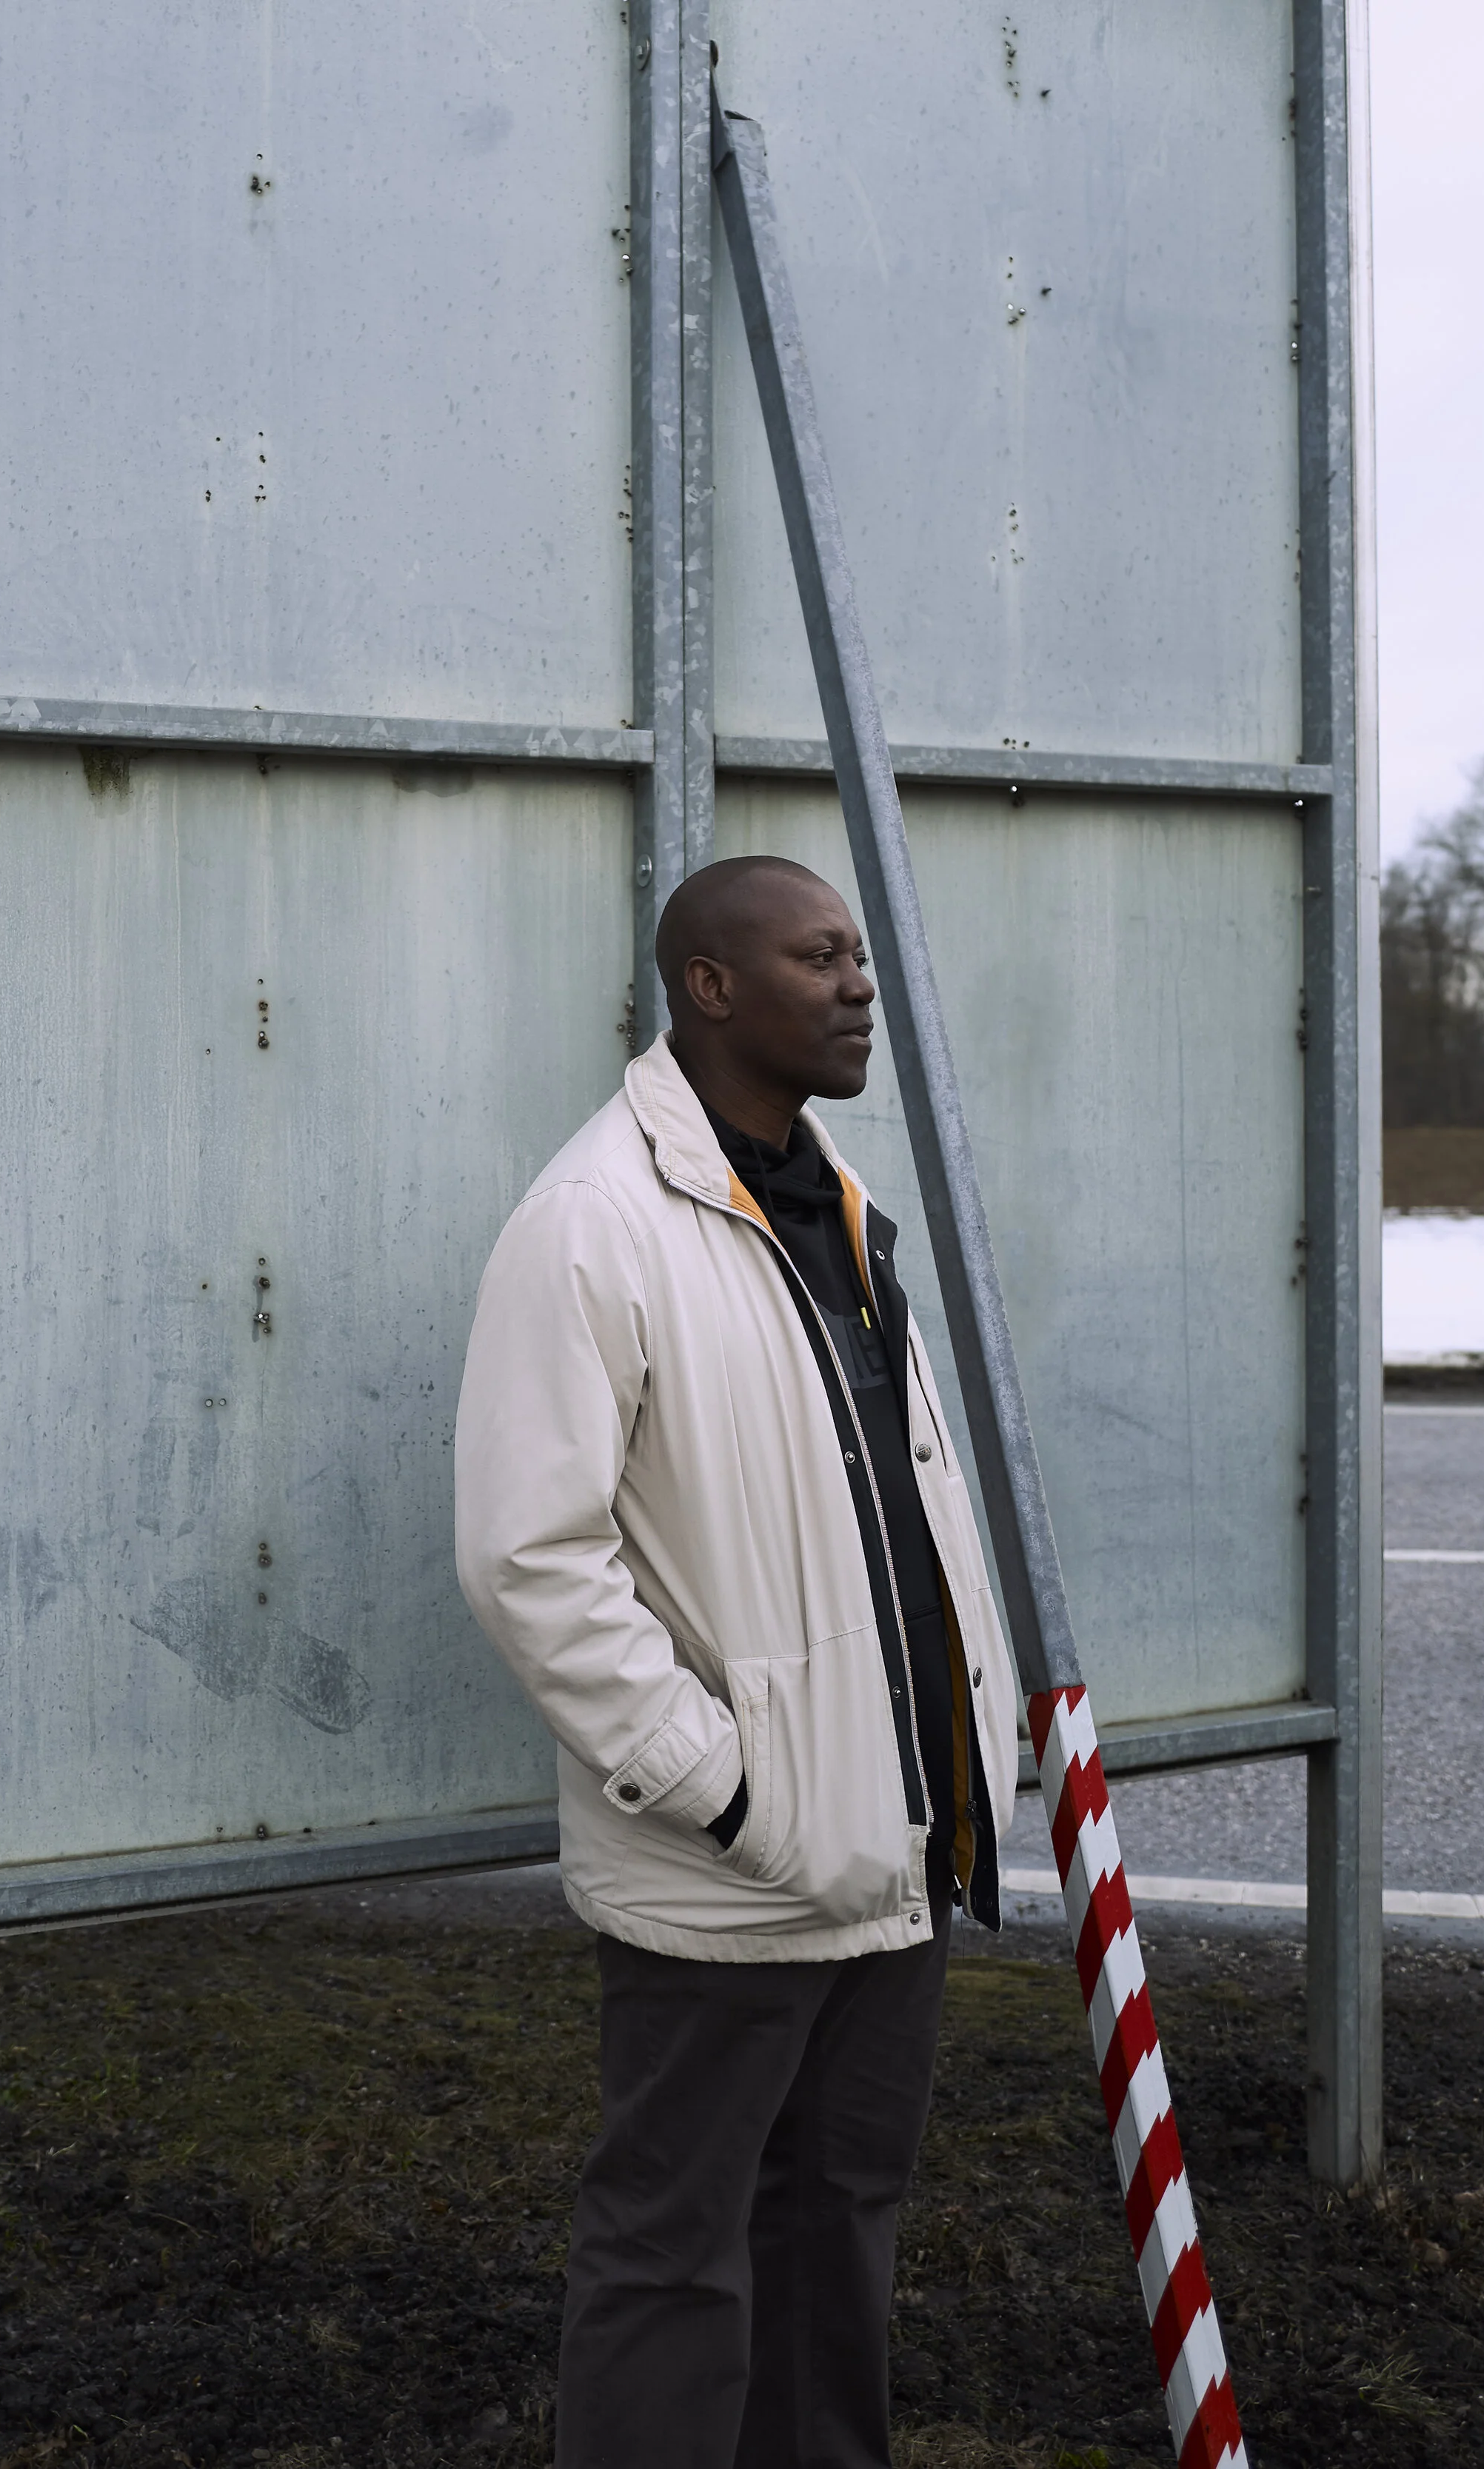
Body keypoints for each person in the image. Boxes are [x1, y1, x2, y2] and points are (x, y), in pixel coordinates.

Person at [455, 855, 1023, 2469]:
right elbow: (526, 1555)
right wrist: (728, 1790)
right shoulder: (592, 1225)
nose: (858, 984)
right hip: (736, 1867)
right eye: (818, 955)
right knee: (670, 2258)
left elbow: (896, 1509)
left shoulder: (833, 1201)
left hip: (891, 1845)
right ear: (708, 985)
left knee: (837, 2236)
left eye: (856, 952)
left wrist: (967, 1749)